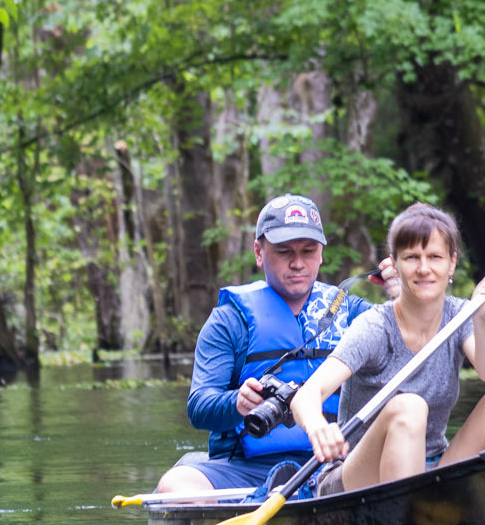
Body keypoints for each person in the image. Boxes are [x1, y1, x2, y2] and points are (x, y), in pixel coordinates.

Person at [291, 203, 485, 493]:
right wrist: (318, 427)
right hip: (356, 477)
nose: (423, 268)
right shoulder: (376, 327)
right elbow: (306, 395)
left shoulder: (461, 315)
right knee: (409, 405)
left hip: (431, 469)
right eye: (411, 257)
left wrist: (480, 316)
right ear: (394, 264)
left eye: (435, 257)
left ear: (452, 263)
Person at [155, 195, 373, 498]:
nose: (297, 263)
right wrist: (237, 404)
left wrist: (405, 294)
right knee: (174, 486)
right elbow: (199, 406)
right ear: (259, 252)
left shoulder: (354, 311)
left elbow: (409, 342)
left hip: (338, 462)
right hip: (246, 468)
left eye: (308, 251)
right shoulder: (229, 321)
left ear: (322, 253)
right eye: (284, 252)